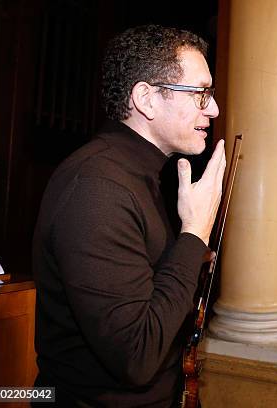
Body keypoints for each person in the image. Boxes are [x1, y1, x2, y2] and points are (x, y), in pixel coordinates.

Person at [32, 25, 225, 407]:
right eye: (201, 93)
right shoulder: (96, 186)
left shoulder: (142, 175)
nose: (214, 109)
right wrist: (194, 233)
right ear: (146, 100)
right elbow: (136, 355)